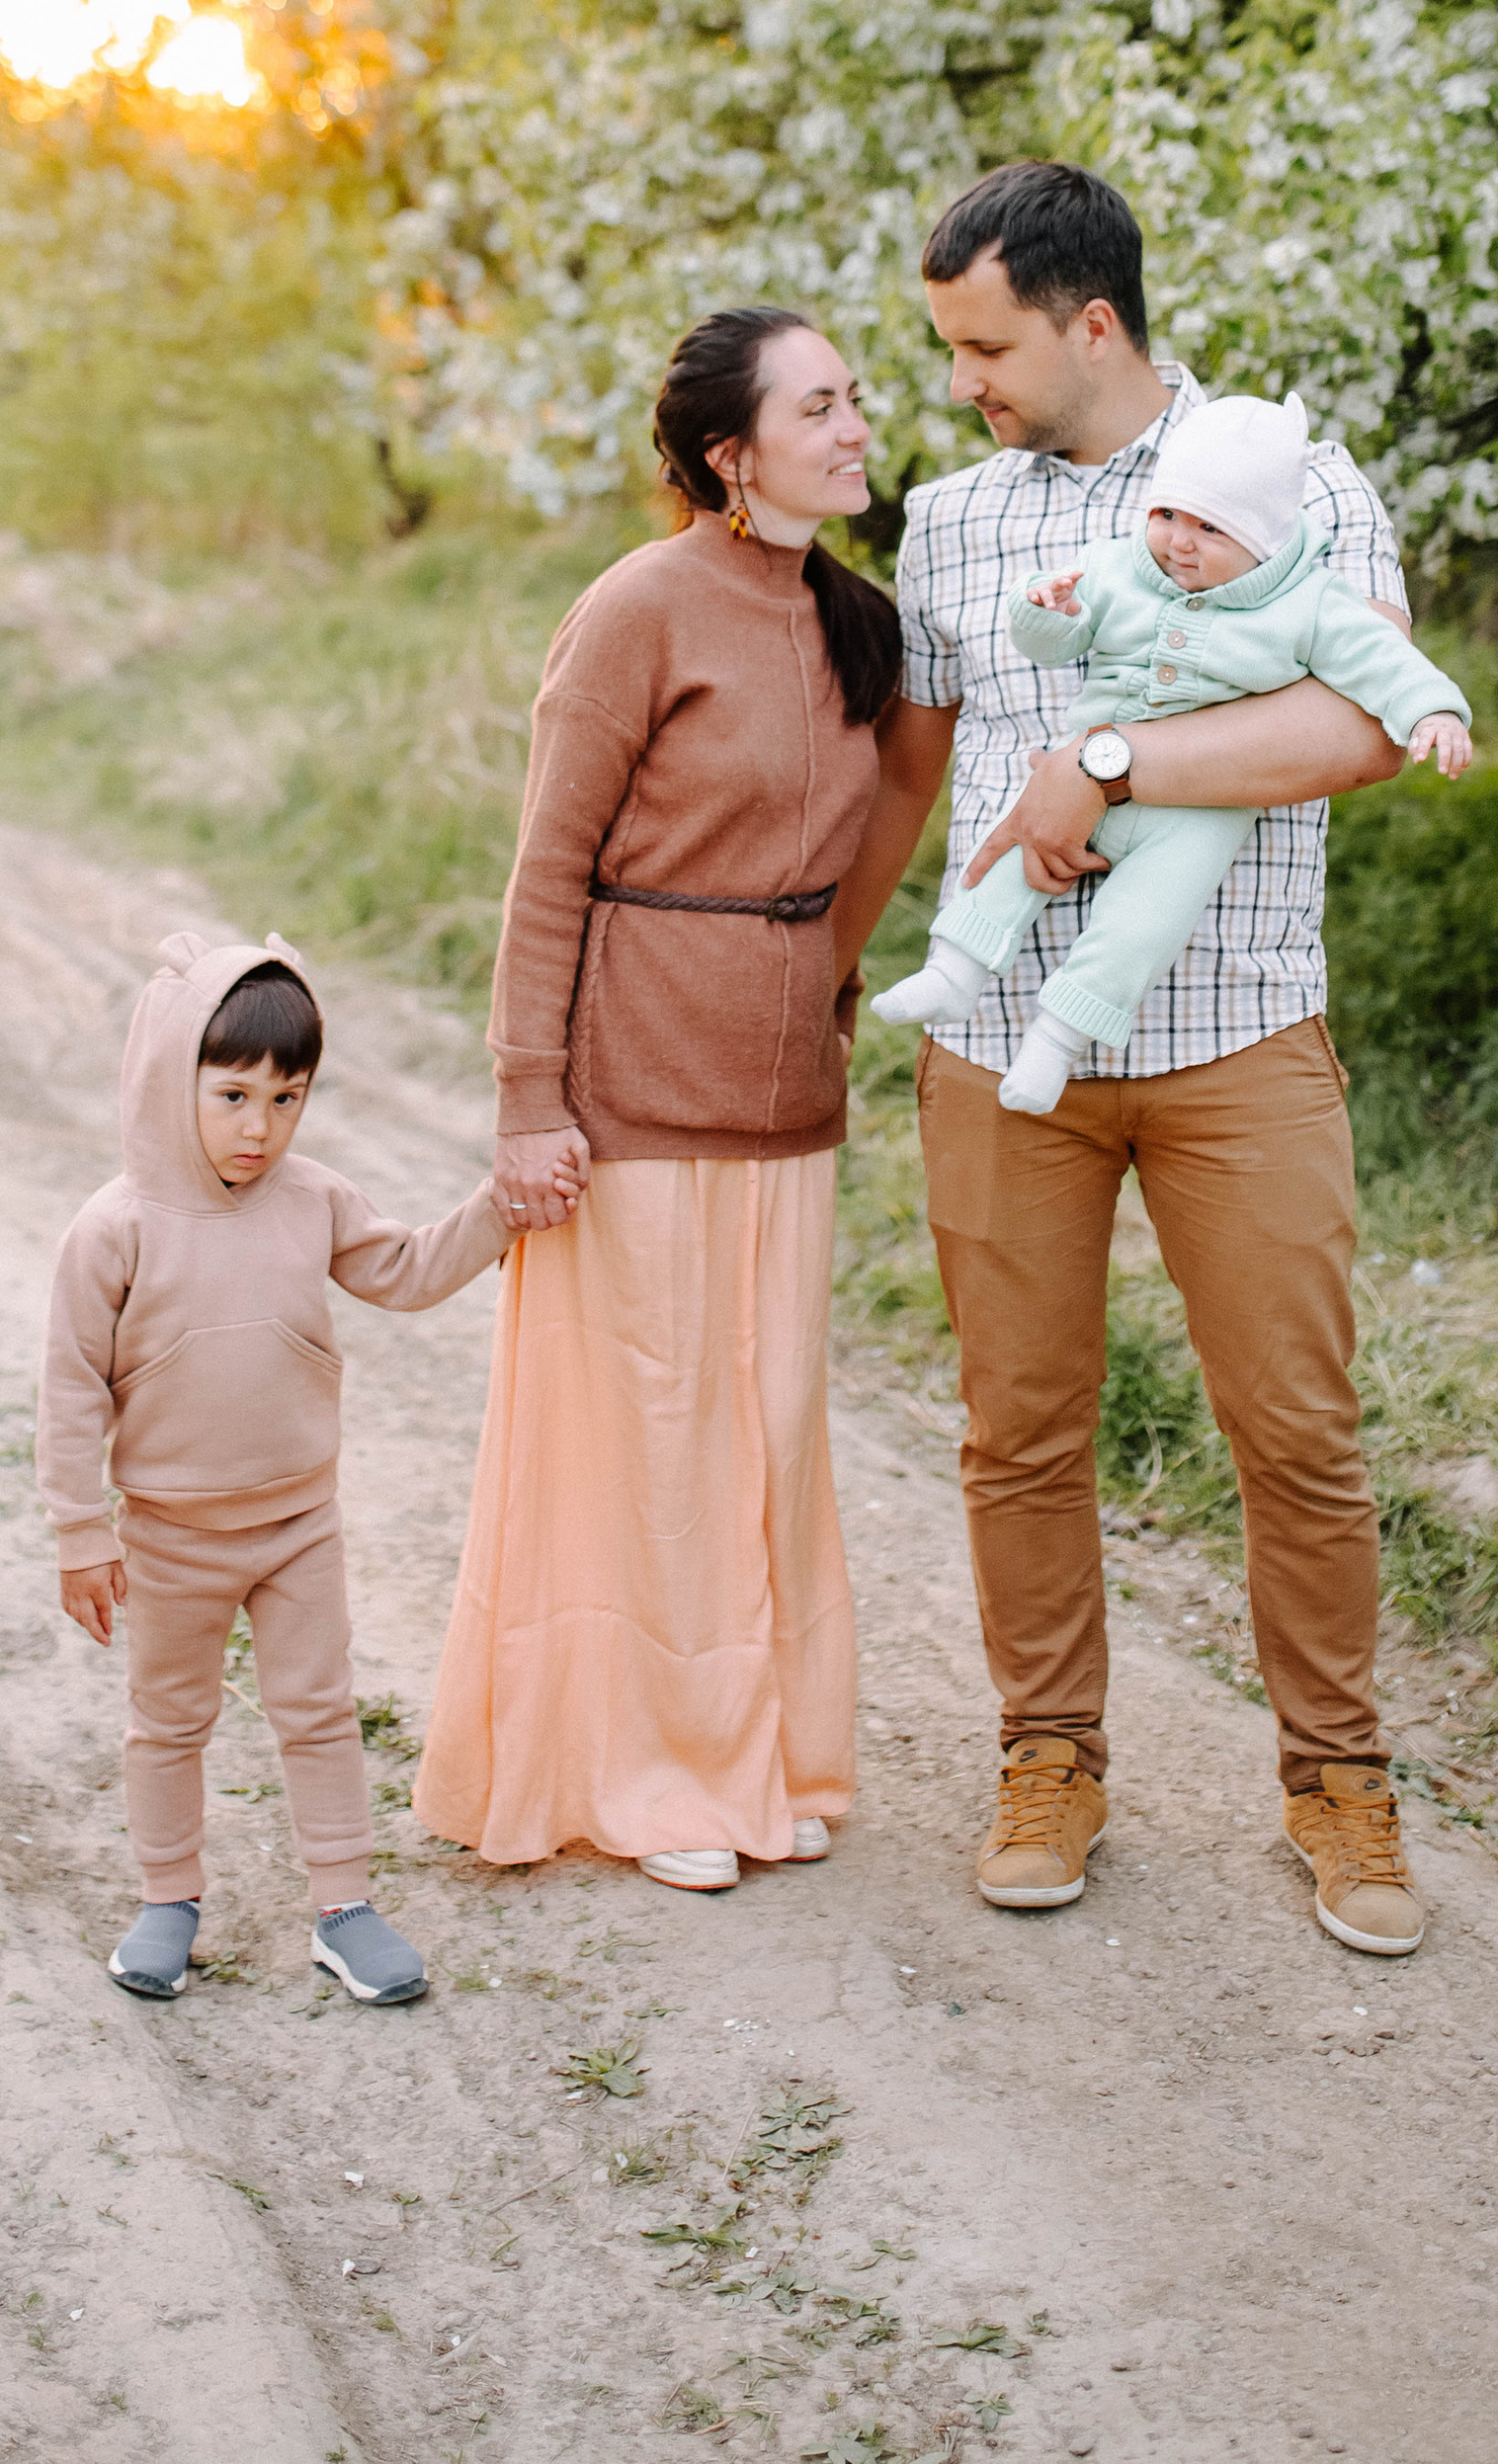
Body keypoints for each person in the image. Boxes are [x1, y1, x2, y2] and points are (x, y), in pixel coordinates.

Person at [828, 162, 1437, 1956]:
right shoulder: (950, 519)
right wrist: (833, 954)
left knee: (1298, 1435)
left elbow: (1361, 718)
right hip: (1007, 1047)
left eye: (985, 344)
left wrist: (1105, 767)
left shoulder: (1297, 483)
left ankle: (1338, 1781)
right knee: (1020, 1432)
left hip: (1239, 1029)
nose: (961, 383)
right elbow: (915, 767)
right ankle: (1050, 1756)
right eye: (946, 349)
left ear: (1094, 323)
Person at [413, 308, 901, 1892]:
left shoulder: (859, 620)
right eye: (818, 406)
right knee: (657, 1437)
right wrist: (525, 1100)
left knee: (766, 1435)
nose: (854, 426)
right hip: (629, 1094)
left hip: (788, 1102)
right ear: (727, 453)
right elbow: (546, 871)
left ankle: (768, 1752)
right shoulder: (637, 610)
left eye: (854, 399)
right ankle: (653, 1779)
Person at [39, 929, 537, 2007]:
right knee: (169, 1718)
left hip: (299, 1525)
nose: (258, 1129)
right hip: (168, 1534)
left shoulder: (312, 1199)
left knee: (317, 1710)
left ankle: (343, 1906)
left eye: (286, 1099)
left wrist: (500, 1209)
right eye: (230, 1097)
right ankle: (169, 1898)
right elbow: (71, 1384)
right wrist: (81, 1530)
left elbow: (401, 1271)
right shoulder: (114, 1228)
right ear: (173, 1081)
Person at [877, 387, 1472, 1112]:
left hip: (1201, 810)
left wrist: (1435, 712)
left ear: (1264, 540)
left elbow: (1384, 664)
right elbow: (1055, 638)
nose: (1178, 541)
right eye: (1166, 515)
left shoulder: (1308, 603)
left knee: (1142, 924)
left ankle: (1056, 1040)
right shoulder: (1124, 565)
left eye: (1209, 528)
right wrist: (1046, 609)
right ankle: (955, 967)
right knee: (1018, 855)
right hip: (1079, 764)